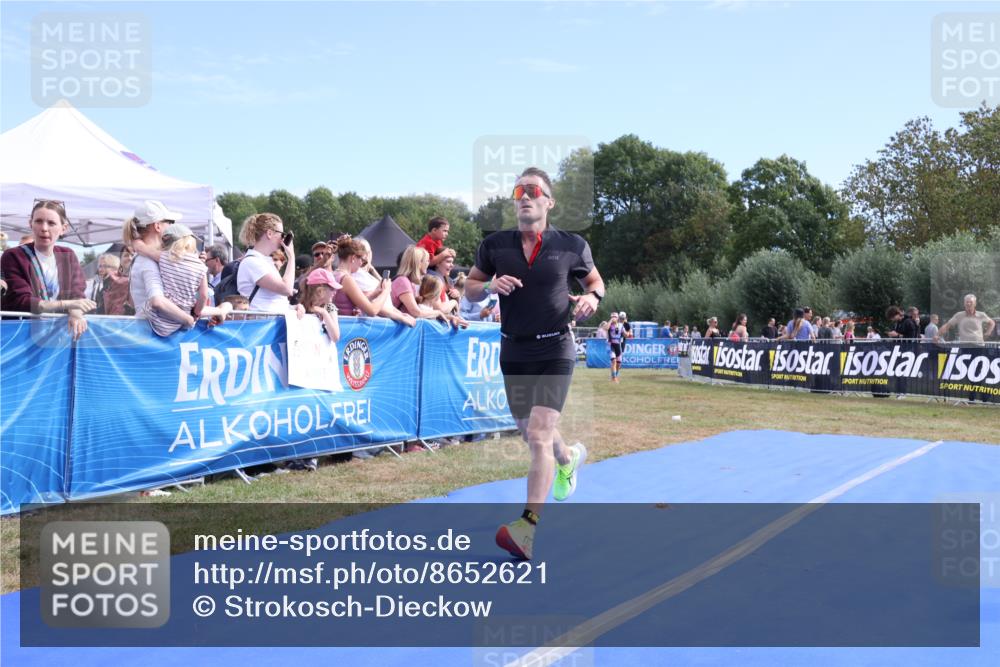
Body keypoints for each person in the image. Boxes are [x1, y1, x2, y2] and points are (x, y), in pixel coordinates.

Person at [465, 167, 605, 560]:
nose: (525, 196)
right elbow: (470, 287)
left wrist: (593, 298)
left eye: (533, 190)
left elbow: (595, 282)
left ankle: (526, 528)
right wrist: (489, 285)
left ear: (549, 201)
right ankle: (569, 458)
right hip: (513, 350)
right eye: (518, 191)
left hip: (556, 347)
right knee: (531, 433)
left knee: (540, 435)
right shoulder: (495, 245)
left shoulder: (571, 245)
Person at [0, 199, 95, 339]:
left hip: (57, 337)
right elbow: (22, 301)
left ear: (63, 228)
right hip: (21, 337)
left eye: (51, 223)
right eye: (38, 221)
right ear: (30, 223)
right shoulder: (14, 256)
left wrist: (76, 313)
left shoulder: (67, 255)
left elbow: (77, 294)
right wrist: (68, 304)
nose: (44, 228)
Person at [146, 223, 233, 337]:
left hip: (159, 319)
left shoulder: (164, 257)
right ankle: (223, 309)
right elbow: (203, 295)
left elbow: (143, 250)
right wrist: (197, 313)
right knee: (227, 305)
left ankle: (223, 309)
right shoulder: (200, 266)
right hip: (184, 318)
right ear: (189, 243)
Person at [124, 200, 199, 329]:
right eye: (170, 222)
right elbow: (158, 301)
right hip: (154, 333)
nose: (172, 226)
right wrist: (188, 319)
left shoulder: (146, 257)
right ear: (157, 226)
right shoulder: (148, 262)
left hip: (151, 331)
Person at [330, 234, 415, 326]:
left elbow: (357, 303)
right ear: (353, 258)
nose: (361, 264)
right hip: (348, 328)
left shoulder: (334, 275)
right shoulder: (346, 279)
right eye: (362, 260)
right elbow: (372, 310)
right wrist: (386, 291)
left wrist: (375, 293)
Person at [235, 213, 301, 314]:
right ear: (269, 233)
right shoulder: (252, 262)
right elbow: (286, 289)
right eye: (282, 234)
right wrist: (291, 257)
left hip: (268, 321)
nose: (283, 238)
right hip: (260, 322)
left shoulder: (264, 261)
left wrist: (293, 308)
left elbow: (273, 301)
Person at [392, 245, 462, 326]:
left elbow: (422, 312)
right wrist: (439, 312)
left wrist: (450, 318)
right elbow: (416, 312)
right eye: (427, 261)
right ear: (418, 263)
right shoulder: (403, 281)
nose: (429, 264)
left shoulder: (409, 282)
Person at [608, 313, 625, 383]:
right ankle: (614, 378)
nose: (614, 318)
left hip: (618, 344)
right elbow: (606, 328)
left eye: (615, 317)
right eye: (612, 317)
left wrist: (628, 334)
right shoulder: (609, 324)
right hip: (611, 344)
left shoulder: (620, 325)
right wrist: (610, 321)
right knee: (613, 361)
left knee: (619, 363)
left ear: (618, 318)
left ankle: (614, 376)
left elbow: (624, 333)